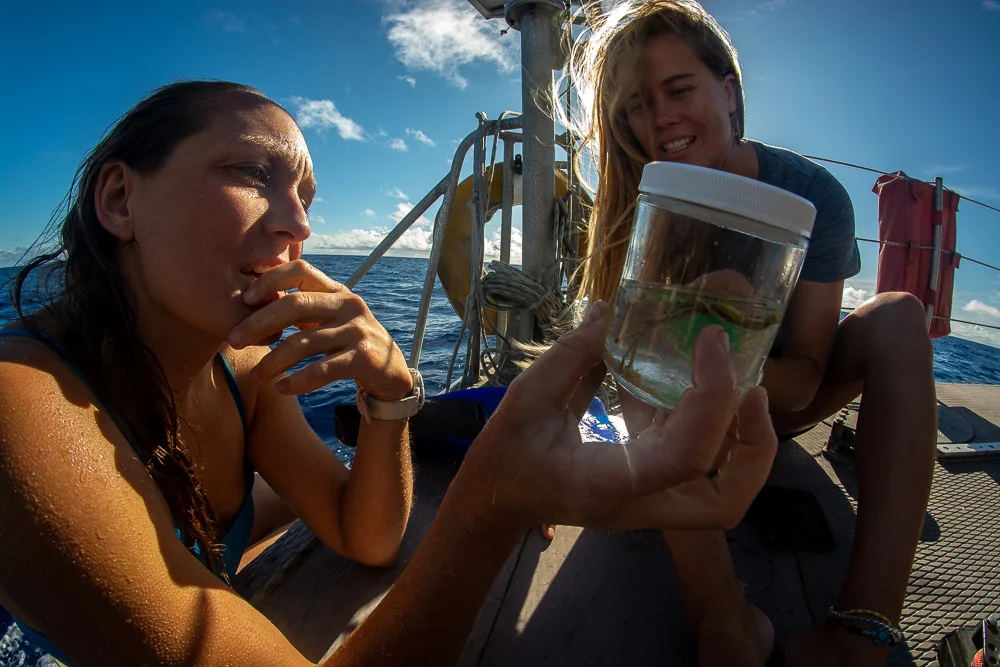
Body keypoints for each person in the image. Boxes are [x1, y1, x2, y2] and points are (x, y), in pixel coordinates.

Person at [0, 80, 779, 666]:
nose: (298, 224)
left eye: (304, 197)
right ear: (119, 198)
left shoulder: (242, 370)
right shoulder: (21, 406)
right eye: (249, 173)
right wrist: (490, 505)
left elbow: (365, 534)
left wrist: (392, 392)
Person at [570, 2, 937, 666]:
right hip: (673, 414)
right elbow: (623, 366)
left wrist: (720, 339)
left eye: (679, 90)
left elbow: (802, 378)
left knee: (900, 318)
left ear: (730, 90)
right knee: (642, 366)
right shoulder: (640, 199)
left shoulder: (811, 195)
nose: (658, 119)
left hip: (775, 399)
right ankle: (723, 616)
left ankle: (861, 632)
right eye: (634, 106)